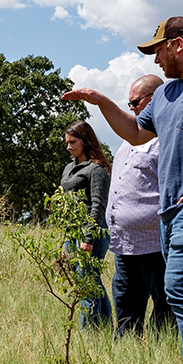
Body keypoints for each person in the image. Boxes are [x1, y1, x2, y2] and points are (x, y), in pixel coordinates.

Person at [63, 16, 183, 364]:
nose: (155, 60)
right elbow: (134, 133)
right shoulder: (165, 95)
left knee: (180, 288)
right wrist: (100, 101)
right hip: (172, 212)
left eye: (157, 50)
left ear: (178, 44)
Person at [108, 75, 175, 336]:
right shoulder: (128, 142)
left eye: (135, 102)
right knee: (125, 301)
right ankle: (126, 352)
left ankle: (162, 350)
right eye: (129, 103)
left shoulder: (165, 139)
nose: (131, 108)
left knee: (164, 302)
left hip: (153, 242)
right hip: (125, 243)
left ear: (154, 99)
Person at [60, 120, 112, 328]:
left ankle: (89, 332)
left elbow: (98, 204)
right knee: (88, 281)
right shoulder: (69, 168)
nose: (69, 147)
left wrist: (89, 237)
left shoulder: (97, 168)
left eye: (73, 142)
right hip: (71, 229)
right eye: (67, 142)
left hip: (90, 229)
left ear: (85, 140)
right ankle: (105, 324)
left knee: (87, 283)